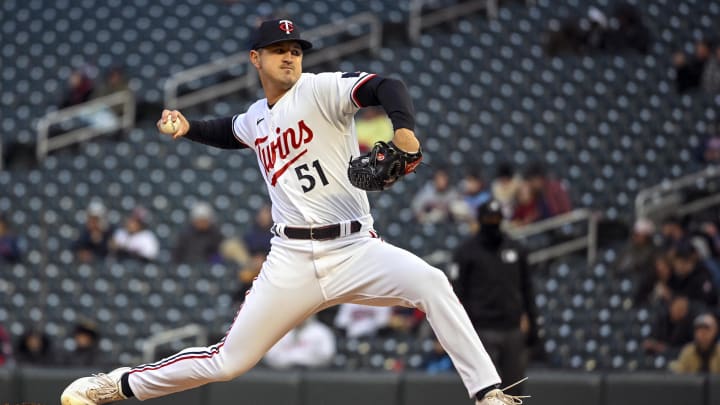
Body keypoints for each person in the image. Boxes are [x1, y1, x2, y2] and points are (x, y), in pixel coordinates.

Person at [61, 18, 517, 405]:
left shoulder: (320, 90)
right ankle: (115, 386)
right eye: (278, 49)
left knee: (432, 283)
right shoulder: (257, 116)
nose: (289, 56)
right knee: (228, 362)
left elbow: (386, 86)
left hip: (355, 246)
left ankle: (489, 394)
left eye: (295, 49)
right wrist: (188, 128)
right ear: (254, 59)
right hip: (291, 259)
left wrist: (406, 132)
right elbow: (229, 131)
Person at [450, 200, 537, 396]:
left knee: (515, 390)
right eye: (489, 218)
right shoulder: (466, 252)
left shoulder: (516, 248)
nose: (493, 222)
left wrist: (532, 324)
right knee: (488, 391)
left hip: (512, 329)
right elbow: (456, 295)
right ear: (480, 220)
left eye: (496, 218)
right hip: (481, 330)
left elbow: (528, 289)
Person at [263, 316, 336, 370]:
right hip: (283, 374)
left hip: (313, 373)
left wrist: (303, 361)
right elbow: (270, 357)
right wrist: (291, 362)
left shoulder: (321, 331)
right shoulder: (279, 331)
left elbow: (327, 356)